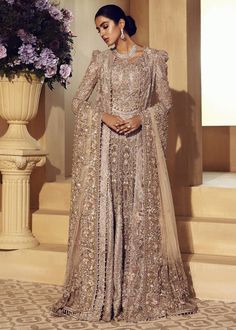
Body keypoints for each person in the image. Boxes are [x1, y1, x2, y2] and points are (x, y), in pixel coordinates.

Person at [51, 4, 198, 323]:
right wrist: (102, 115)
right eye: (98, 29)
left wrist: (141, 118)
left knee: (138, 217)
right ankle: (105, 293)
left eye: (105, 26)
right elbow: (78, 101)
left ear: (121, 24)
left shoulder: (154, 59)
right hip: (105, 149)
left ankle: (136, 292)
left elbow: (165, 102)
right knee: (109, 214)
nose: (102, 33)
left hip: (140, 150)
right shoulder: (100, 61)